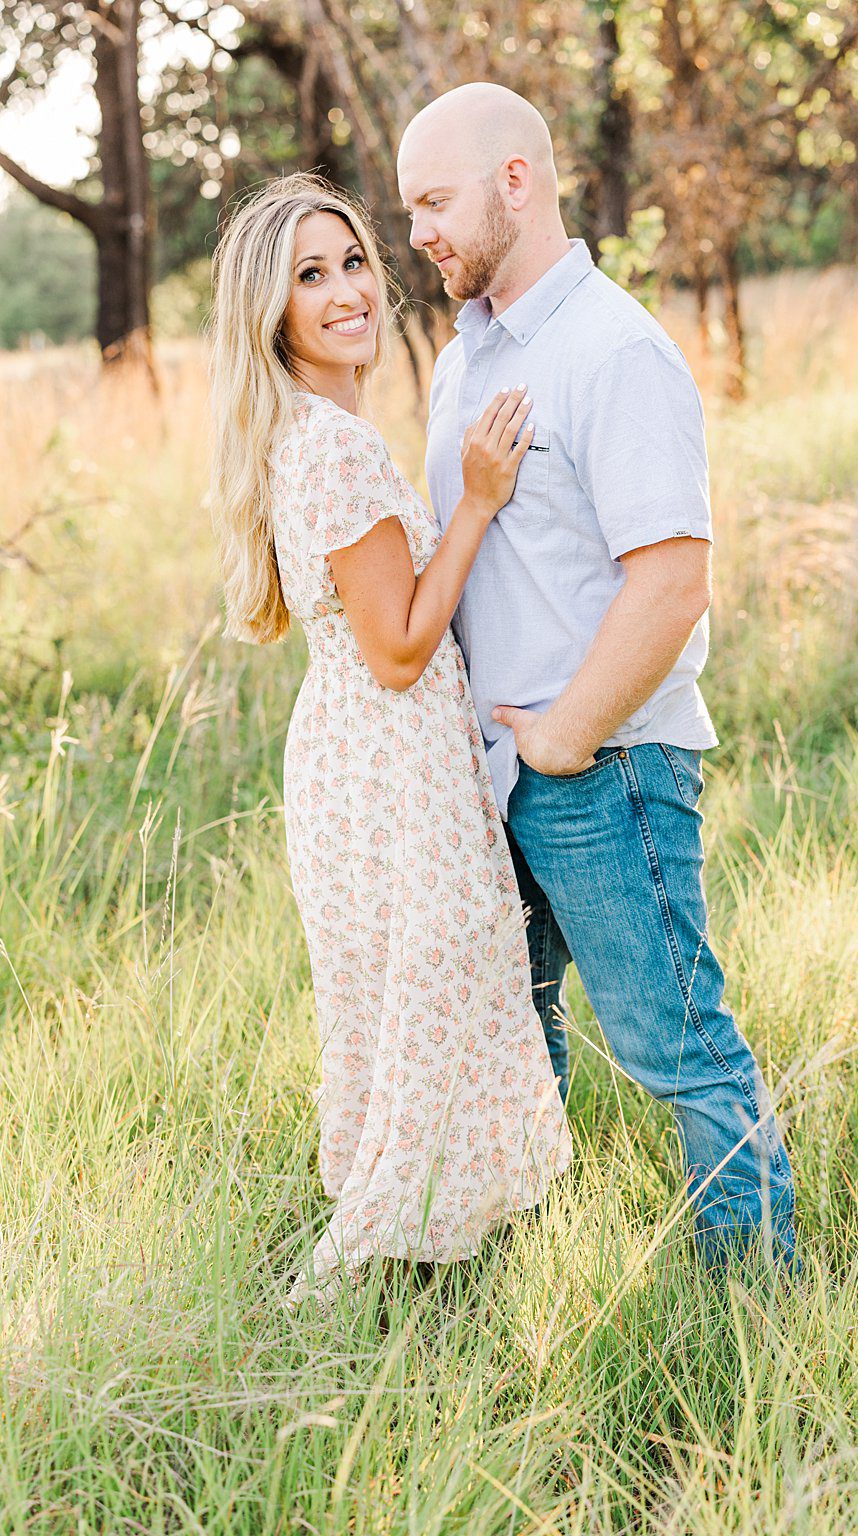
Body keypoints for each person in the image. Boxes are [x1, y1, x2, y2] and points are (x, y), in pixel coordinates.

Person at [394, 83, 798, 1270]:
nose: (417, 229)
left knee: (679, 1046)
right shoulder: (463, 358)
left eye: (434, 200)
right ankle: (528, 1271)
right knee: (513, 1037)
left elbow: (672, 580)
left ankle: (756, 1308)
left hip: (598, 763)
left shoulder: (613, 351)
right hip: (488, 773)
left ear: (515, 180)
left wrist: (566, 733)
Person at [208, 173, 569, 1304]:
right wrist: (477, 500)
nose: (346, 290)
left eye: (352, 261)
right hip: (387, 769)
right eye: (309, 277)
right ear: (271, 312)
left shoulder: (315, 431)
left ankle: (420, 1258)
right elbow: (401, 647)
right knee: (437, 994)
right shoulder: (334, 450)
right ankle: (363, 1268)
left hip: (356, 761)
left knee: (405, 1006)